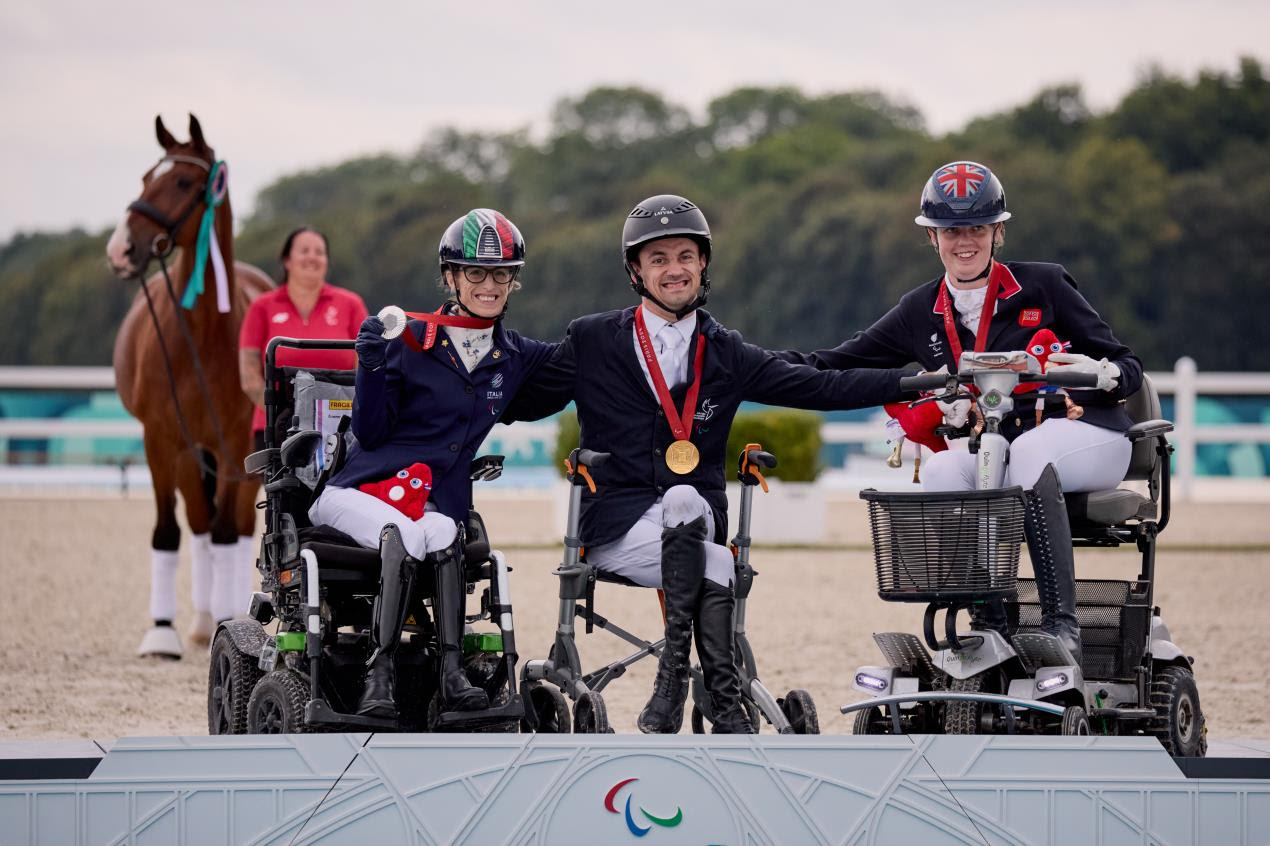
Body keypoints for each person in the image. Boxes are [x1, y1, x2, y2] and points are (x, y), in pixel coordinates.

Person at [503, 194, 912, 733]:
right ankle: (720, 699)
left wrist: (916, 384)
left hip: (695, 516)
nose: (674, 270)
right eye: (658, 259)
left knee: (685, 499)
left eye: (685, 256)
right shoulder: (593, 339)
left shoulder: (728, 351)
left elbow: (819, 383)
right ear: (636, 271)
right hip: (615, 524)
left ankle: (675, 685)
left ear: (702, 264)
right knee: (716, 562)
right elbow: (525, 401)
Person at [777, 161, 1144, 664]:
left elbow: (1129, 366)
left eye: (976, 227)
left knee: (1032, 452)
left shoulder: (1045, 285)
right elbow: (832, 363)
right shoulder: (918, 309)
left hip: (1090, 434)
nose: (964, 241)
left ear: (998, 231)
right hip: (1003, 452)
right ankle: (990, 622)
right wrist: (746, 368)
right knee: (948, 466)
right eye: (950, 230)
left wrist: (1100, 371)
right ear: (932, 237)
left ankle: (1063, 626)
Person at [309, 209, 554, 719]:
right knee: (413, 532)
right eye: (476, 273)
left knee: (443, 532)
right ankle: (379, 673)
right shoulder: (408, 339)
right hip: (358, 492)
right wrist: (371, 365)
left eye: (501, 273)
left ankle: (450, 672)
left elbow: (574, 363)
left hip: (430, 502)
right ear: (451, 277)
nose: (490, 285)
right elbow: (372, 433)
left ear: (515, 280)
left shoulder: (514, 356)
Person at [222, 228, 366, 637]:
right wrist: (278, 412)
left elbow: (367, 363)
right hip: (279, 426)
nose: (312, 258)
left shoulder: (349, 304)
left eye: (319, 251)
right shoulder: (265, 307)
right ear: (286, 259)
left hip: (341, 427)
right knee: (282, 511)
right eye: (304, 251)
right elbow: (249, 369)